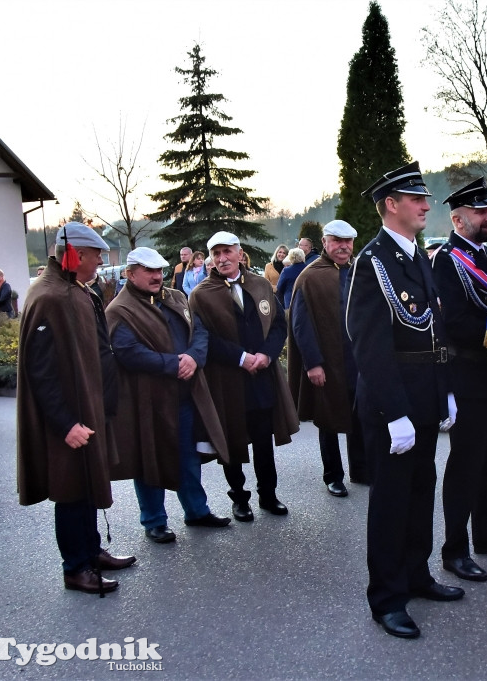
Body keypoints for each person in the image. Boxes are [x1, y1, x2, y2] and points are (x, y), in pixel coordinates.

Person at [346, 161, 460, 639]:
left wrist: (447, 389)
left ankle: (416, 573)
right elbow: (368, 343)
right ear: (391, 205)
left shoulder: (417, 256)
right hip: (393, 402)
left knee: (420, 492)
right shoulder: (372, 262)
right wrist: (395, 413)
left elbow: (436, 329)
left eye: (425, 197)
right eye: (416, 198)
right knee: (391, 502)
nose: (425, 204)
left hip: (426, 394)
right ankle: (388, 598)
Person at [17, 222, 135, 594]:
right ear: (77, 254)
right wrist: (66, 423)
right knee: (70, 489)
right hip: (68, 419)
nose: (102, 260)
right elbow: (41, 370)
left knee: (86, 483)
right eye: (97, 254)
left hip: (88, 409)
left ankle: (90, 549)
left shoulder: (73, 290)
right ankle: (75, 567)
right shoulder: (50, 296)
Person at [106, 247, 232, 544]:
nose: (156, 276)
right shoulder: (119, 309)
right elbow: (127, 352)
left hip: (186, 393)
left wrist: (192, 358)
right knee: (149, 458)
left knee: (188, 456)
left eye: (159, 271)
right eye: (148, 271)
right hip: (148, 399)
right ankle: (154, 520)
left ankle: (197, 511)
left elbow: (199, 332)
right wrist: (173, 364)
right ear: (130, 273)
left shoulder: (175, 297)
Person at [432, 179, 487, 585]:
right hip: (469, 375)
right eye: (482, 213)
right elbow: (455, 323)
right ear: (458, 219)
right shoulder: (448, 261)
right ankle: (455, 550)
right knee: (466, 466)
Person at [188, 231, 299, 523]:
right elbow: (203, 338)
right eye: (216, 253)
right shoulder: (201, 295)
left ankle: (268, 494)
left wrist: (266, 354)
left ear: (239, 253)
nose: (222, 258)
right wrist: (240, 357)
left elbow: (278, 324)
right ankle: (239, 498)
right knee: (233, 440)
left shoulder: (260, 284)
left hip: (261, 376)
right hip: (227, 380)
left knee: (263, 440)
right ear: (211, 258)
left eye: (227, 252)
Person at [288, 220, 369, 498]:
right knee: (329, 420)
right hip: (328, 362)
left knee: (360, 416)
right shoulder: (310, 277)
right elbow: (301, 325)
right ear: (325, 242)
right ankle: (333, 476)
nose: (343, 246)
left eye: (348, 241)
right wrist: (313, 363)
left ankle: (361, 469)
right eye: (337, 241)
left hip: (358, 361)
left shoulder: (361, 271)